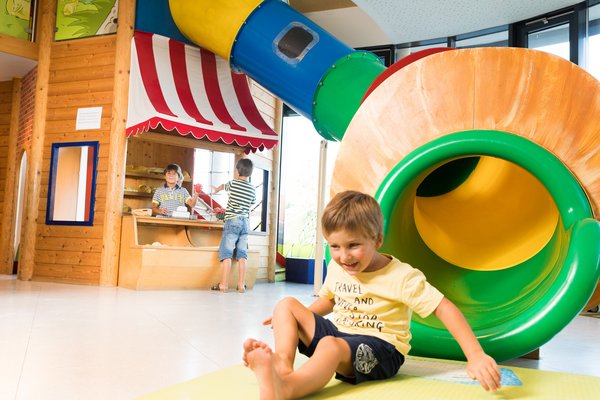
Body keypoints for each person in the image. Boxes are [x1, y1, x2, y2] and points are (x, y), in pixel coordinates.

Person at [243, 190, 501, 399]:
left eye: (354, 245)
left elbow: (443, 307)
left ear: (377, 240)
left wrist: (475, 355)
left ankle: (288, 388)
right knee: (286, 304)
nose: (344, 256)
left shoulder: (402, 276)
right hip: (341, 336)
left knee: (329, 346)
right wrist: (292, 319)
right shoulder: (337, 267)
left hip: (382, 349)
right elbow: (331, 300)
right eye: (335, 246)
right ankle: (282, 367)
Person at [211, 158, 256, 293]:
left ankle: (223, 285)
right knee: (242, 254)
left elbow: (222, 187)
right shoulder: (252, 189)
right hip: (245, 222)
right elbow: (252, 202)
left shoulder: (233, 184)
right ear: (250, 173)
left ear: (237, 171)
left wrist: (216, 189)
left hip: (232, 220)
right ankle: (241, 285)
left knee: (227, 253)